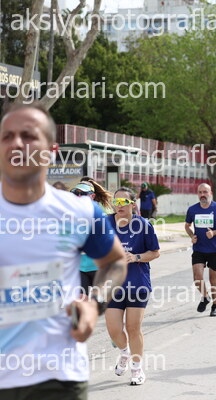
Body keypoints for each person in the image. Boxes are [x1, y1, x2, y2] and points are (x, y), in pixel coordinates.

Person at [0, 102, 127, 398]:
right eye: (7, 136)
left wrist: (94, 304)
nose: (16, 143)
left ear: (51, 150)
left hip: (58, 377)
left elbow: (115, 262)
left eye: (28, 135)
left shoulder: (80, 212)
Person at [105, 187, 160, 386]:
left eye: (123, 202)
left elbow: (155, 252)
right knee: (113, 330)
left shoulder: (143, 225)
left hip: (137, 284)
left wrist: (136, 257)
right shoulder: (105, 223)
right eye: (116, 202)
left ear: (132, 204)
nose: (118, 206)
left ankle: (137, 369)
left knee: (133, 328)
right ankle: (124, 352)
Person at [185, 183, 216, 317]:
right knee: (197, 277)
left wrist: (214, 233)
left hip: (214, 249)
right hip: (199, 248)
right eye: (200, 192)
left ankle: (215, 305)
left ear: (210, 193)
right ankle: (205, 297)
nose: (202, 195)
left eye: (205, 192)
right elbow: (187, 226)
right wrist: (192, 236)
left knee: (213, 279)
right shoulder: (192, 209)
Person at [71, 178, 114, 296]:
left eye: (83, 194)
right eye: (75, 193)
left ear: (92, 196)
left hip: (98, 266)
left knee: (98, 301)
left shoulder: (102, 212)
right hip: (80, 267)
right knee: (81, 300)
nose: (78, 196)